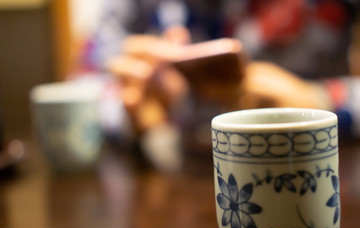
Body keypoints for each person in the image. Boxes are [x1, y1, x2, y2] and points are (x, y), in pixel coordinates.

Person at [76, 0, 360, 171]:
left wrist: (320, 99)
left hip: (320, 168)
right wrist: (130, 112)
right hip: (175, 183)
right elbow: (79, 87)